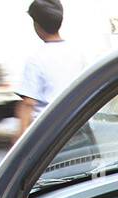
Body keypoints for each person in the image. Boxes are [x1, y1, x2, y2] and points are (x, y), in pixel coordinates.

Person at [15, 0, 86, 139]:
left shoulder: (36, 59)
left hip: (48, 134)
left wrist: (19, 138)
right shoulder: (77, 54)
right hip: (76, 126)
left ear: (37, 25)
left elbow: (28, 103)